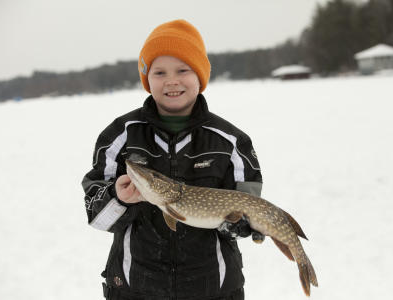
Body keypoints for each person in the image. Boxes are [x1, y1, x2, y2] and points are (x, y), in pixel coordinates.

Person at [82, 19, 263, 300]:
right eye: (159, 72)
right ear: (147, 78)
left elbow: (247, 214)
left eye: (183, 69)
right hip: (134, 290)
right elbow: (97, 219)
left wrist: (239, 223)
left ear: (200, 75)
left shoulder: (231, 142)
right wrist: (118, 198)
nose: (172, 81)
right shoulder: (120, 135)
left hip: (214, 290)